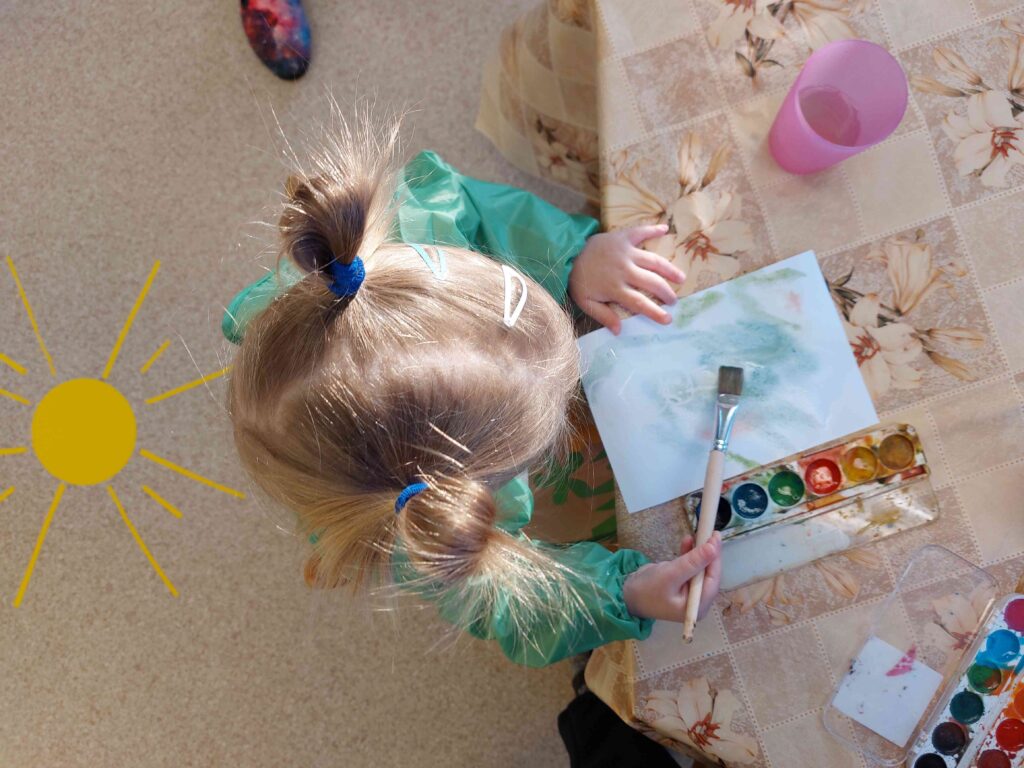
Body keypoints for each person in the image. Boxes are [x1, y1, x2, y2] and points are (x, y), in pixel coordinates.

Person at [223, 115, 723, 667]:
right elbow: (507, 600)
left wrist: (572, 258)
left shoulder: (410, 232)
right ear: (477, 482)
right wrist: (621, 595)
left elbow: (477, 211)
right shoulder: (417, 521)